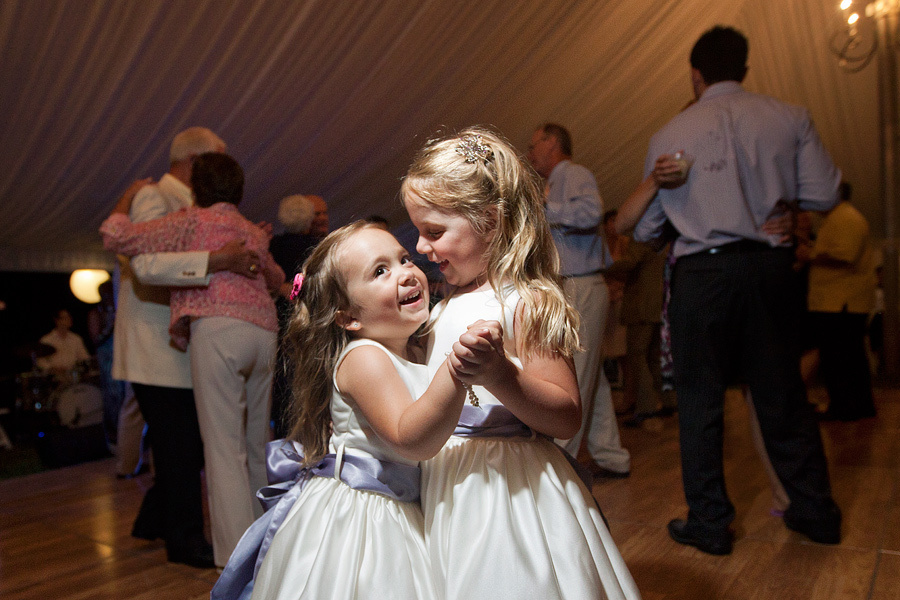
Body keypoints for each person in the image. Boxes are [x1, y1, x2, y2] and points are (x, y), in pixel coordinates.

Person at [403, 127, 640, 599]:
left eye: (434, 232)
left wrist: (501, 375)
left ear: (490, 222)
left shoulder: (522, 300)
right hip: (445, 478)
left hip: (505, 487)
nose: (421, 248)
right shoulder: (443, 304)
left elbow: (566, 415)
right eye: (419, 232)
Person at [633, 26, 843, 555]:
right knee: (783, 395)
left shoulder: (670, 133)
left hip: (702, 276)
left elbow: (646, 227)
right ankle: (816, 512)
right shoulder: (789, 116)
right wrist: (787, 209)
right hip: (770, 269)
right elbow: (825, 193)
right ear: (745, 69)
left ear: (695, 75)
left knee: (699, 401)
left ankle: (710, 523)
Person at [212, 221, 472, 600]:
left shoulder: (415, 352)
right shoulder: (364, 357)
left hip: (404, 504)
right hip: (364, 517)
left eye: (403, 259)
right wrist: (456, 370)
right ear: (349, 317)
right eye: (380, 271)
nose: (406, 273)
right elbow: (408, 437)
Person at [102, 152, 283, 569]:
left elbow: (116, 237)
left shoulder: (188, 222)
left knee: (223, 450)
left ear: (196, 189)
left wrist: (126, 197)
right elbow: (277, 280)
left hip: (219, 329)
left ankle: (236, 557)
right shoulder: (250, 231)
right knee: (257, 445)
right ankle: (270, 543)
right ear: (240, 190)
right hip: (264, 333)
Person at [527, 122, 631, 478]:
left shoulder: (574, 174)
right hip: (572, 285)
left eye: (534, 145)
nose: (530, 153)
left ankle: (561, 466)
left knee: (574, 376)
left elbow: (590, 214)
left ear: (552, 142)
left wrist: (546, 205)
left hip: (580, 284)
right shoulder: (554, 183)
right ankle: (612, 457)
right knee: (592, 378)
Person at [808, 182, 878, 421]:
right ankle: (857, 405)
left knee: (840, 358)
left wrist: (810, 255)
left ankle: (846, 407)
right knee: (848, 356)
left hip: (841, 302)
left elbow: (845, 256)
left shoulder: (845, 218)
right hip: (839, 301)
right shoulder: (841, 218)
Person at [268, 194, 322, 437]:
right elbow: (305, 286)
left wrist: (284, 290)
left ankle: (283, 439)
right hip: (306, 322)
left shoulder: (273, 246)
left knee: (282, 383)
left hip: (278, 321)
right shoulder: (315, 248)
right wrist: (293, 292)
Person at [36, 308, 90, 377]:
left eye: (69, 317)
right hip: (53, 376)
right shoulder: (46, 340)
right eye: (65, 318)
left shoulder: (76, 339)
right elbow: (40, 361)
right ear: (57, 320)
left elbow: (84, 358)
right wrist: (52, 368)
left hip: (72, 374)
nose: (69, 319)